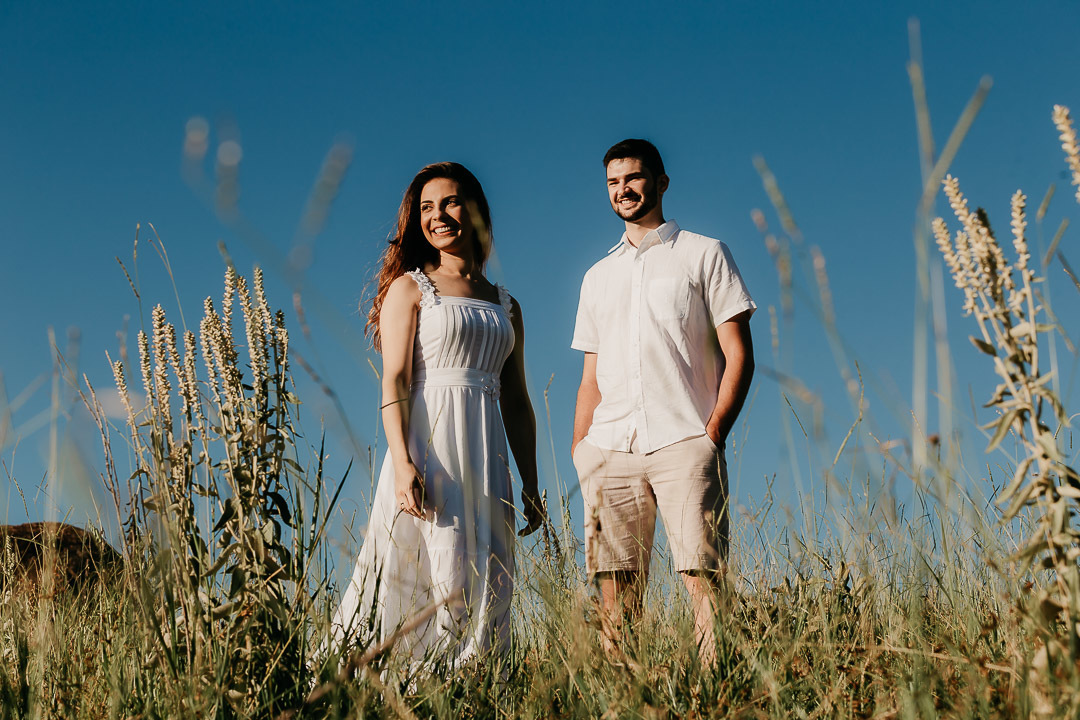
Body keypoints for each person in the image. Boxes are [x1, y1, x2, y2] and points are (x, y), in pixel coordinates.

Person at [328, 162, 544, 671]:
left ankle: (473, 691)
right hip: (431, 451)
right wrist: (402, 462)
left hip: (488, 457)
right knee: (435, 577)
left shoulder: (507, 306)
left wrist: (531, 482)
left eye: (448, 202)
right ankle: (399, 684)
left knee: (491, 582)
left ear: (474, 210)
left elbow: (517, 401)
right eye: (426, 207)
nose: (438, 215)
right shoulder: (410, 288)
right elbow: (395, 381)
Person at [570, 139, 755, 665]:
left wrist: (713, 431)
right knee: (616, 598)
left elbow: (738, 352)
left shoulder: (704, 253)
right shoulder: (596, 276)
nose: (623, 190)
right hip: (610, 449)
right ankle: (622, 699)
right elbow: (590, 378)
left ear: (660, 182)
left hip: (685, 439)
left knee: (704, 584)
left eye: (633, 178)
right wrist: (581, 447)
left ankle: (715, 694)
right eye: (612, 182)